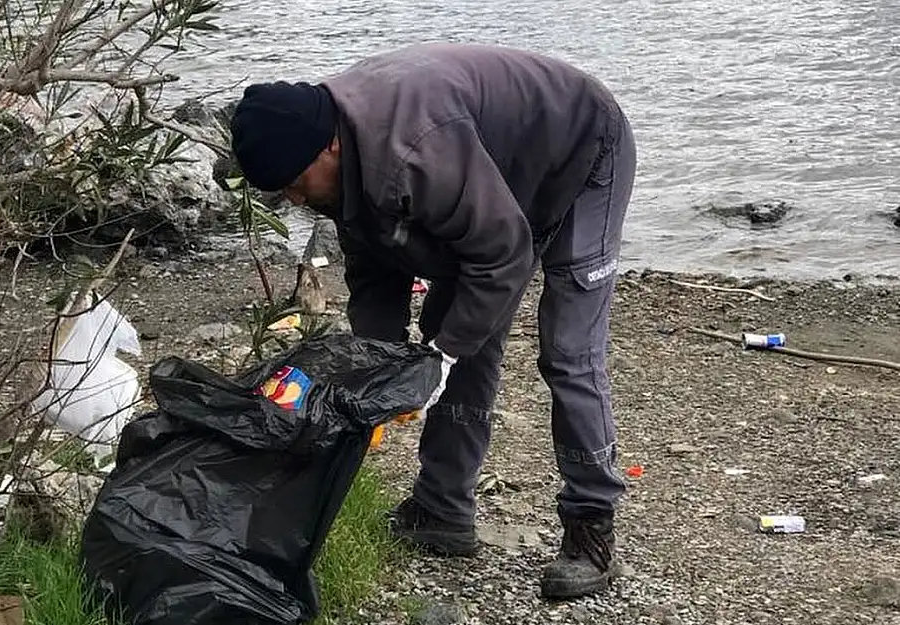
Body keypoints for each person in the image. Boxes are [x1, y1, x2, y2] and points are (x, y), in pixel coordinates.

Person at [228, 42, 636, 600]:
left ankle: (591, 528)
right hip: (488, 178)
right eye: (284, 194)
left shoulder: (411, 151)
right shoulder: (338, 155)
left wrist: (441, 356)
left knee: (567, 350)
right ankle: (443, 509)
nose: (297, 201)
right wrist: (380, 371)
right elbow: (375, 274)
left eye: (298, 184)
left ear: (329, 145)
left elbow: (503, 256)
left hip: (580, 148)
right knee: (457, 323)